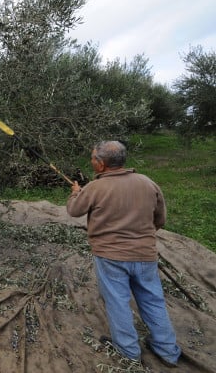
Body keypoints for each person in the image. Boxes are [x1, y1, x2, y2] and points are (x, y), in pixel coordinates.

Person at [66, 141, 181, 367]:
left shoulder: (95, 188)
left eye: (93, 159)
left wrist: (75, 193)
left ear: (101, 164)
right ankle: (167, 350)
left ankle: (128, 351)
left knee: (118, 302)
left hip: (110, 257)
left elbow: (74, 210)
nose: (91, 162)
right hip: (146, 255)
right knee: (153, 300)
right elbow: (160, 220)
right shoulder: (148, 183)